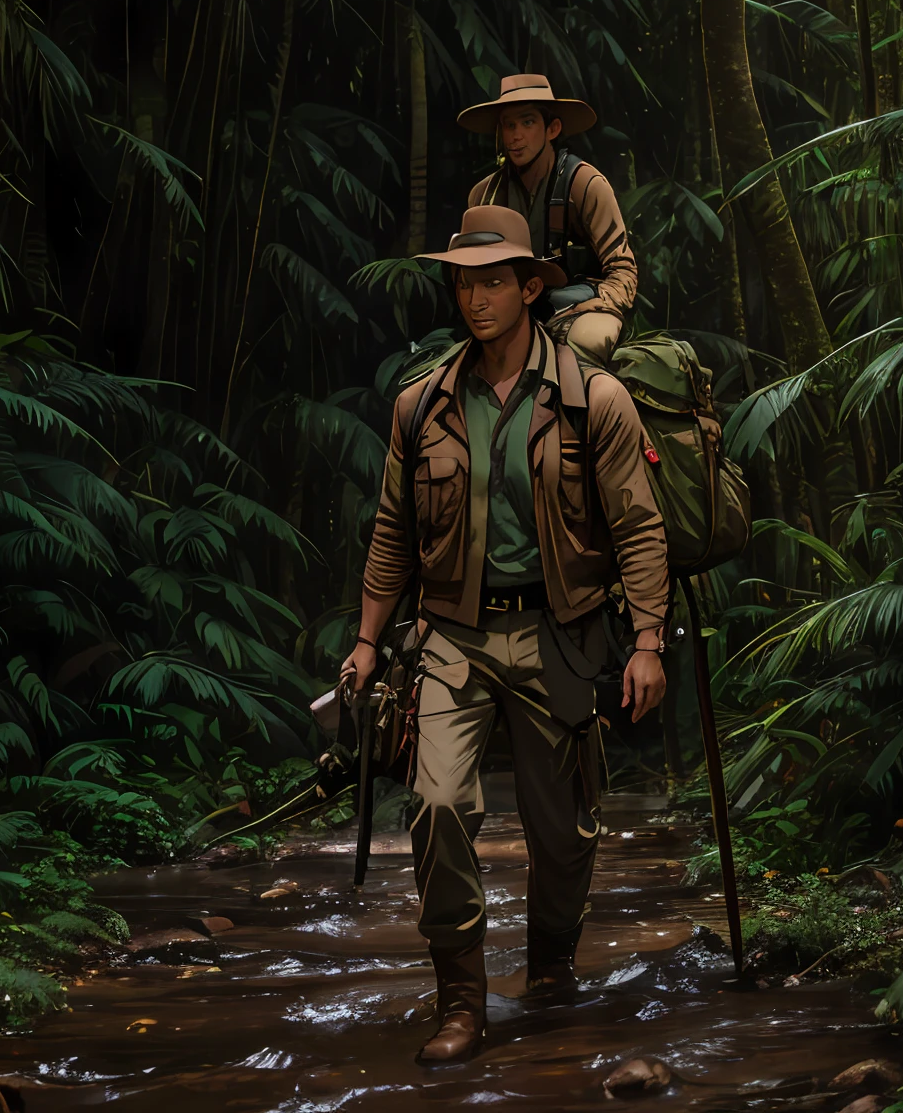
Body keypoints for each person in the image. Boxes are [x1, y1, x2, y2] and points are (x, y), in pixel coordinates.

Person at [342, 204, 669, 1066]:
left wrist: (646, 642)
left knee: (561, 827)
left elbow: (638, 527)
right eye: (463, 280)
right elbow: (391, 532)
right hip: (452, 634)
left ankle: (553, 966)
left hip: (559, 632)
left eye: (493, 280)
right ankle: (460, 999)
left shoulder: (593, 398)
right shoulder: (423, 406)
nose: (475, 297)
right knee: (438, 802)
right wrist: (369, 642)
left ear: (531, 288)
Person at [459, 71, 637, 362]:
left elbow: (623, 272)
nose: (516, 136)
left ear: (552, 129)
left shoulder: (584, 185)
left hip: (578, 308)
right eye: (509, 125)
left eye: (527, 123)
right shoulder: (484, 196)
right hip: (511, 310)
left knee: (584, 345)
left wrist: (596, 303)